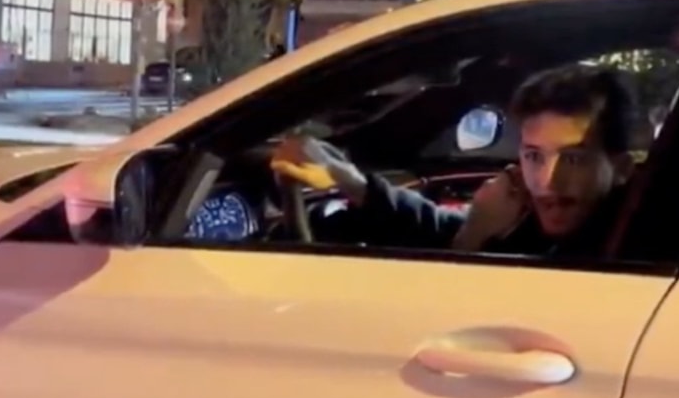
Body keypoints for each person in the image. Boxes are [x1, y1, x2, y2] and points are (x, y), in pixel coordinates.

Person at [271, 63, 636, 256]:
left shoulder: (619, 251)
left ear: (621, 169)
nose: (546, 181)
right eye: (533, 155)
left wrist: (475, 234)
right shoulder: (547, 224)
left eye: (573, 160)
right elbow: (436, 228)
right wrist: (352, 181)